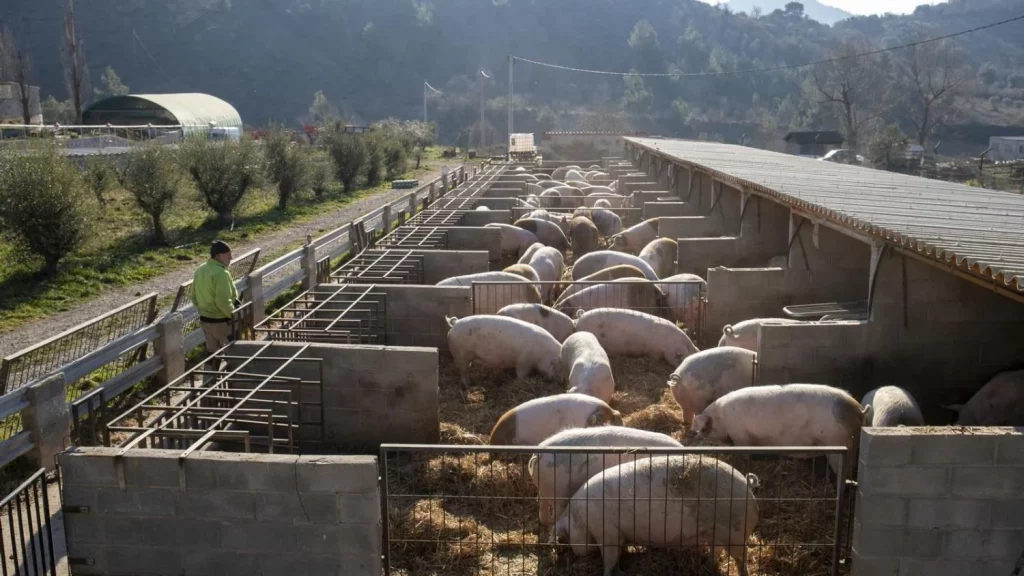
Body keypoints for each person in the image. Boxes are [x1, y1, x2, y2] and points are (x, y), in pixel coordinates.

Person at [191, 241, 240, 354]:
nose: (231, 257)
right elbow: (223, 302)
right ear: (218, 256)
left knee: (213, 353)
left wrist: (204, 310)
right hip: (221, 320)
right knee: (233, 351)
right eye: (228, 254)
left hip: (205, 320)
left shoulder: (200, 270)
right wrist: (233, 315)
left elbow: (193, 296)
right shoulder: (221, 273)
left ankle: (212, 365)